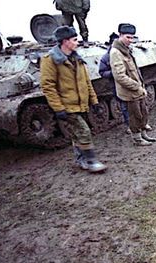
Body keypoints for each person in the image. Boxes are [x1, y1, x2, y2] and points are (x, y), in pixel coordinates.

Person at [40, 26, 107, 173]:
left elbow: (87, 82)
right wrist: (58, 108)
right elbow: (48, 86)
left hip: (80, 104)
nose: (78, 42)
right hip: (67, 105)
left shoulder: (77, 59)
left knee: (77, 133)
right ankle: (92, 161)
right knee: (84, 131)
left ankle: (81, 159)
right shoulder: (50, 60)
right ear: (65, 41)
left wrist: (94, 102)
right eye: (75, 39)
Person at [110, 23, 156, 146]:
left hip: (137, 90)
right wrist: (137, 87)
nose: (130, 40)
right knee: (134, 116)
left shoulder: (126, 50)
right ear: (120, 35)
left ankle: (143, 134)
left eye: (132, 37)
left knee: (142, 113)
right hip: (129, 92)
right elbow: (120, 76)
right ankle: (137, 139)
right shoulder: (116, 52)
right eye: (128, 37)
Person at [98, 32, 131, 134]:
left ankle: (140, 123)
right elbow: (102, 72)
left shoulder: (127, 52)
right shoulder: (106, 57)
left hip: (130, 82)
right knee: (124, 106)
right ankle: (129, 125)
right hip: (117, 85)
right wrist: (114, 73)